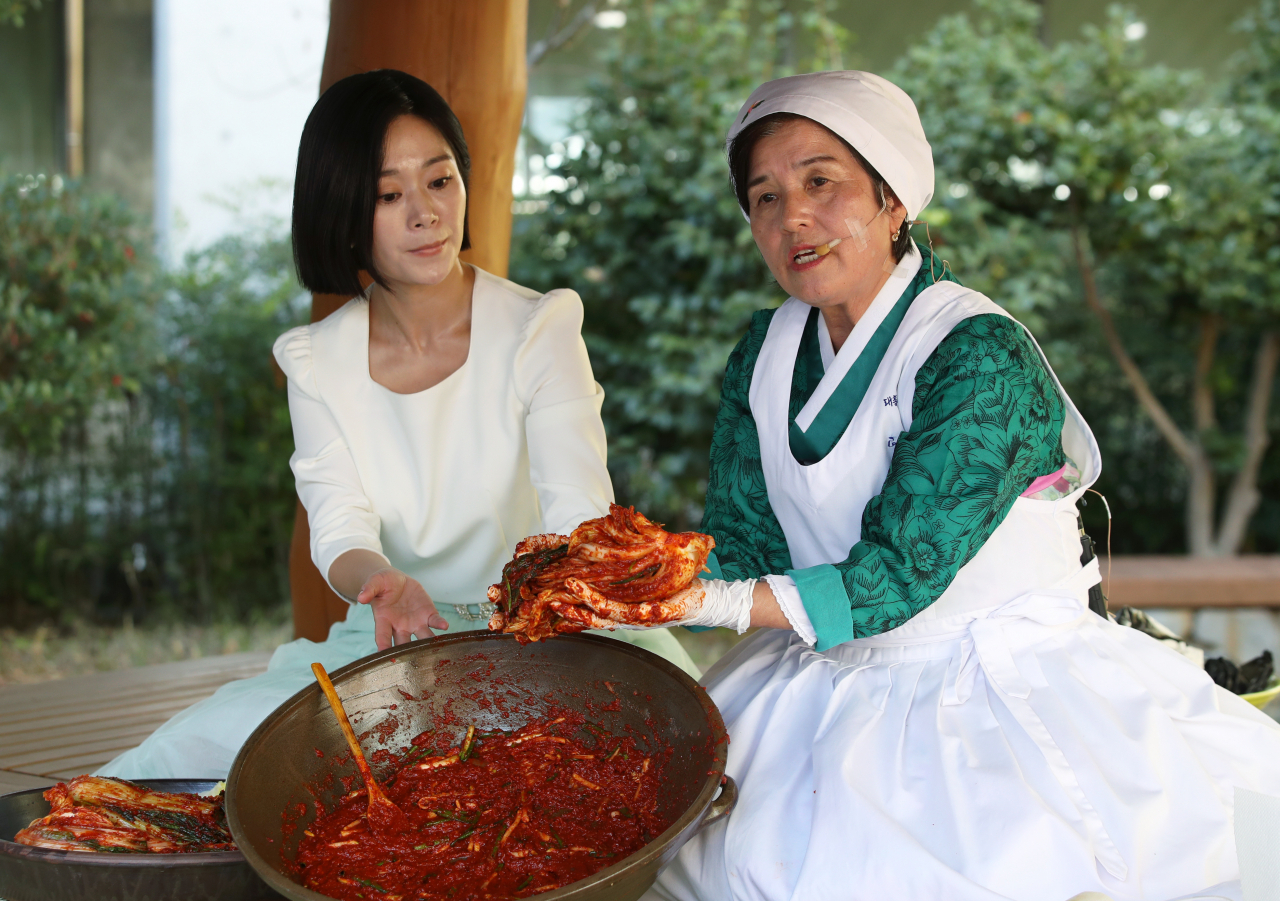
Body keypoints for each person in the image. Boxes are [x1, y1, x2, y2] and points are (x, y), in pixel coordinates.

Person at [567, 71, 1280, 901]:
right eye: (764, 197)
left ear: (894, 198)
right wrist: (636, 572)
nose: (792, 215)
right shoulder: (762, 354)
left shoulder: (978, 351)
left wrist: (685, 600)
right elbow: (750, 542)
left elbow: (897, 575)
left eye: (821, 182)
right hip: (819, 672)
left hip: (991, 679)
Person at [101, 70, 696, 780]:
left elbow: (578, 512)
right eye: (390, 195)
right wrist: (381, 579)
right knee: (191, 754)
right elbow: (340, 527)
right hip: (392, 641)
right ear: (343, 212)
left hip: (550, 631)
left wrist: (551, 603)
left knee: (656, 759)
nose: (426, 213)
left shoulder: (539, 328)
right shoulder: (316, 361)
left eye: (440, 181)